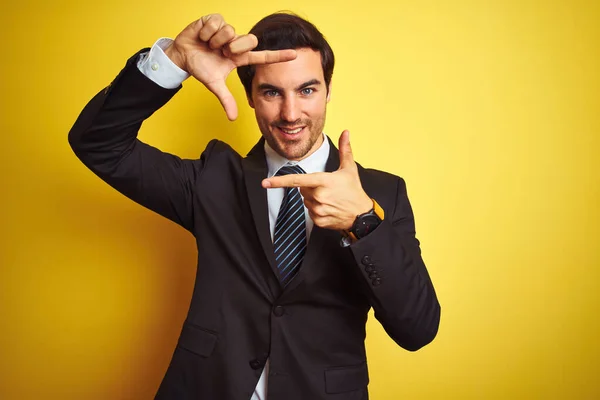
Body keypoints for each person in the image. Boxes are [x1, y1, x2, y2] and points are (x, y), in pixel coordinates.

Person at [68, 11, 440, 400]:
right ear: (250, 96)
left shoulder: (382, 193)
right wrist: (173, 60)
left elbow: (417, 329)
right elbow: (97, 143)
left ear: (328, 89)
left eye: (307, 90)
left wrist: (363, 222)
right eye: (272, 92)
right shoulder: (213, 180)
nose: (291, 114)